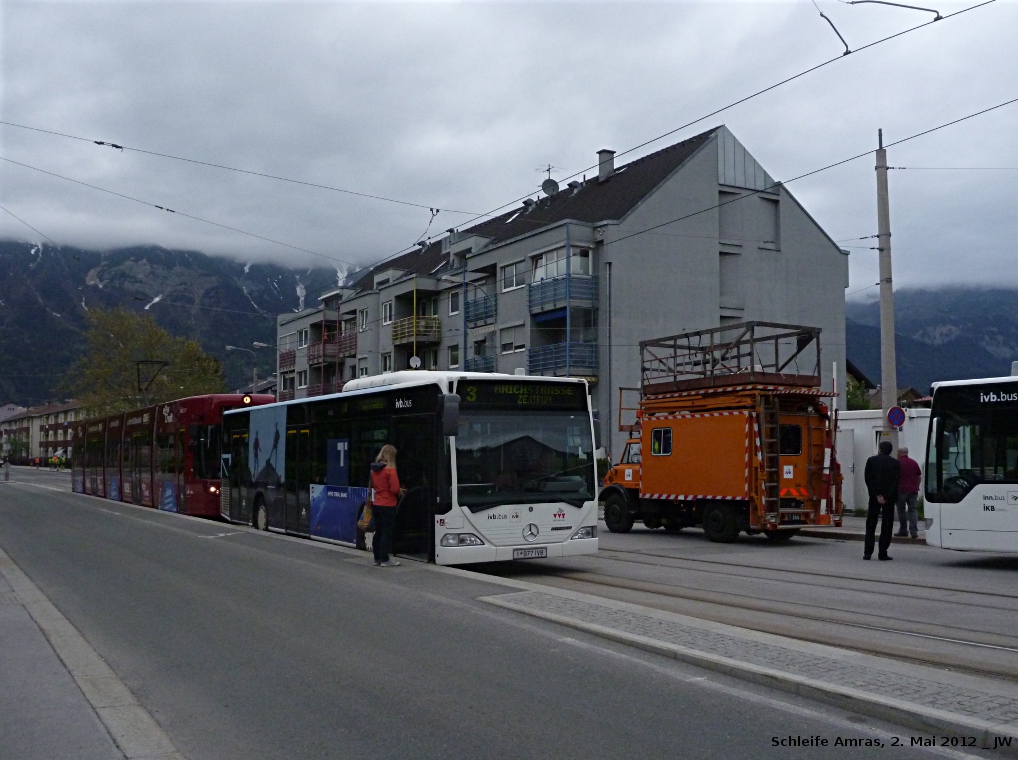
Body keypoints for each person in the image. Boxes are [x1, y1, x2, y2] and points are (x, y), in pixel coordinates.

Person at [864, 440, 900, 561]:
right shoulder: (895, 463)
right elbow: (895, 482)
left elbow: (868, 479)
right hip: (888, 499)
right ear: (890, 451)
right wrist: (886, 496)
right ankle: (882, 552)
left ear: (879, 449)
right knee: (887, 525)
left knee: (871, 524)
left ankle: (867, 552)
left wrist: (876, 495)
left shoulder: (871, 461)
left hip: (874, 497)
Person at [370, 444, 405, 568]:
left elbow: (374, 486)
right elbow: (394, 490)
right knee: (386, 532)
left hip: (377, 503)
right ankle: (385, 559)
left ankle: (377, 558)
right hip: (388, 504)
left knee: (378, 532)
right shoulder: (390, 470)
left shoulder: (374, 470)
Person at [896, 446, 922, 539]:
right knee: (913, 510)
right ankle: (914, 531)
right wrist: (917, 486)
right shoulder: (914, 462)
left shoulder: (897, 463)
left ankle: (903, 530)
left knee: (901, 511)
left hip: (900, 490)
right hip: (913, 490)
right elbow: (919, 476)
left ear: (900, 453)